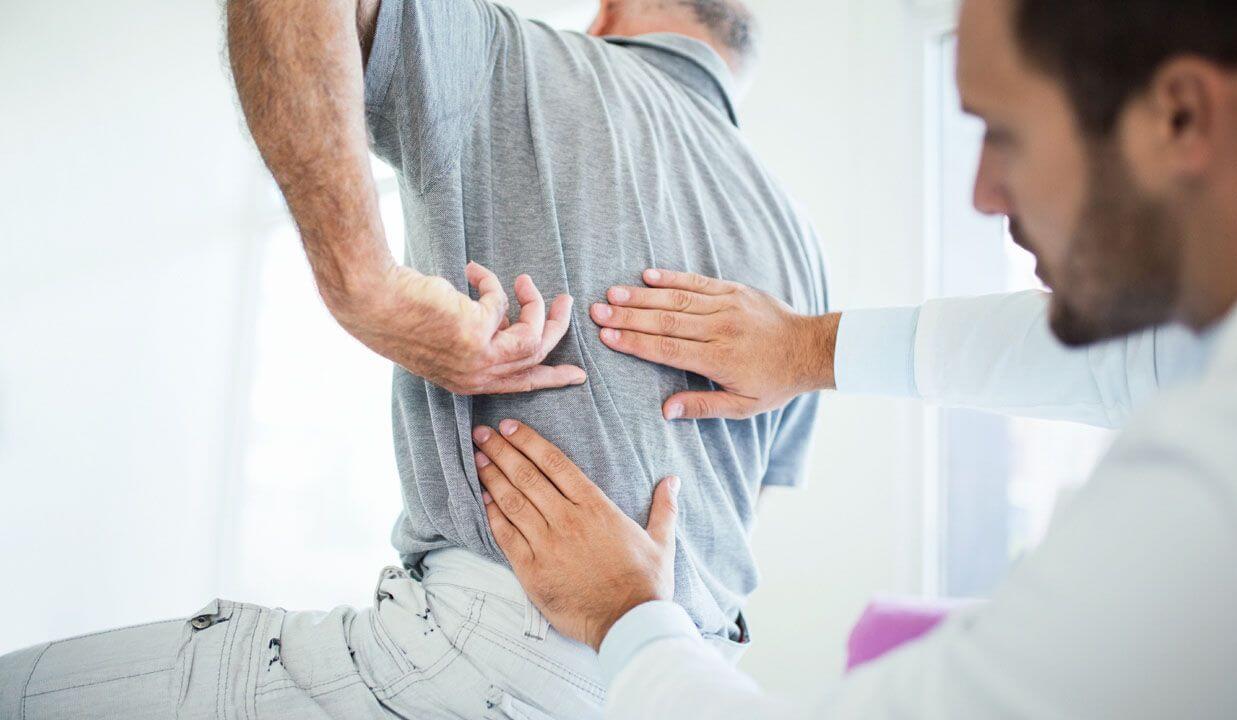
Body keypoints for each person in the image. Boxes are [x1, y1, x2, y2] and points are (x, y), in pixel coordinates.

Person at [0, 0, 833, 716]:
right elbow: (731, 505)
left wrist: (364, 286)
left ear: (610, 12)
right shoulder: (802, 252)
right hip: (682, 678)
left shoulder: (521, 54)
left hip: (503, 656)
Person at [467, 0, 1237, 717]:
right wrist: (806, 346)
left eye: (1004, 133)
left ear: (1178, 117)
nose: (982, 194)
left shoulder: (1233, 486)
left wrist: (627, 617)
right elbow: (1128, 365)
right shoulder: (1226, 366)